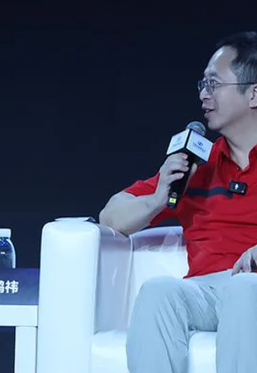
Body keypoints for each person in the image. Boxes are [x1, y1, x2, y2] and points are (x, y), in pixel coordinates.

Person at [99, 31, 257, 373]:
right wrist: (159, 199)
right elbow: (110, 217)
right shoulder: (196, 166)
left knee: (247, 289)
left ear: (253, 94)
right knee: (158, 292)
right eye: (202, 84)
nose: (204, 94)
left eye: (214, 84)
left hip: (252, 287)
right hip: (207, 290)